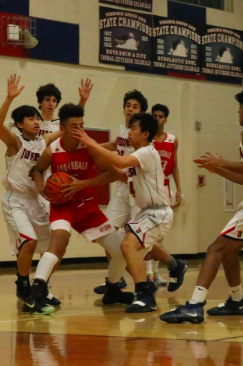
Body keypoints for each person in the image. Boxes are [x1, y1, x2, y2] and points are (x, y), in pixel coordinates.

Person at [160, 86, 243, 324]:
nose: (237, 113)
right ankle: (237, 301)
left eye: (239, 108)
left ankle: (194, 305)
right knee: (229, 251)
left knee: (214, 249)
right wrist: (217, 168)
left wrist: (220, 161)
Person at [23, 103, 134, 315]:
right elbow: (37, 170)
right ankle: (35, 294)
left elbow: (113, 174)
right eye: (74, 126)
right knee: (59, 242)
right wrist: (41, 188)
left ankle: (112, 289)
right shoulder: (52, 150)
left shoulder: (90, 149)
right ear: (62, 129)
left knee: (120, 252)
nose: (79, 131)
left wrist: (82, 184)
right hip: (63, 206)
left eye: (82, 126)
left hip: (87, 208)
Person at [74, 113, 187, 313]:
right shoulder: (139, 156)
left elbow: (120, 160)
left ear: (144, 133)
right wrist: (92, 160)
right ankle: (122, 287)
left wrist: (92, 143)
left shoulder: (146, 152)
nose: (129, 131)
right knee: (122, 252)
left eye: (133, 128)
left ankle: (146, 295)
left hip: (157, 213)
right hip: (146, 213)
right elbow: (119, 173)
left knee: (126, 245)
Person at [0, 74, 62, 307]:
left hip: (36, 200)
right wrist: (9, 98)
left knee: (53, 247)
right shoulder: (15, 143)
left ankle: (40, 288)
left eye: (37, 118)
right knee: (29, 242)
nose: (36, 122)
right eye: (30, 119)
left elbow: (65, 128)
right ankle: (23, 284)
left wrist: (80, 106)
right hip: (15, 200)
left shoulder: (43, 142)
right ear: (20, 124)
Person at [93, 90, 149, 294]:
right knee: (107, 232)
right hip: (121, 189)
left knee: (135, 242)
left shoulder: (144, 136)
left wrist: (94, 148)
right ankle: (115, 280)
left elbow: (122, 162)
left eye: (135, 106)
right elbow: (115, 146)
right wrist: (90, 147)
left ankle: (162, 270)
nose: (130, 109)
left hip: (138, 191)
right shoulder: (122, 130)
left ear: (141, 111)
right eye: (128, 105)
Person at [147, 103, 182, 286]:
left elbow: (174, 166)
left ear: (166, 119)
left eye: (160, 116)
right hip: (149, 187)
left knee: (159, 234)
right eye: (154, 115)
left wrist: (179, 189)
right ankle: (148, 273)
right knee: (147, 231)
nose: (157, 119)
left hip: (165, 187)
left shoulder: (172, 140)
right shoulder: (147, 138)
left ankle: (154, 272)